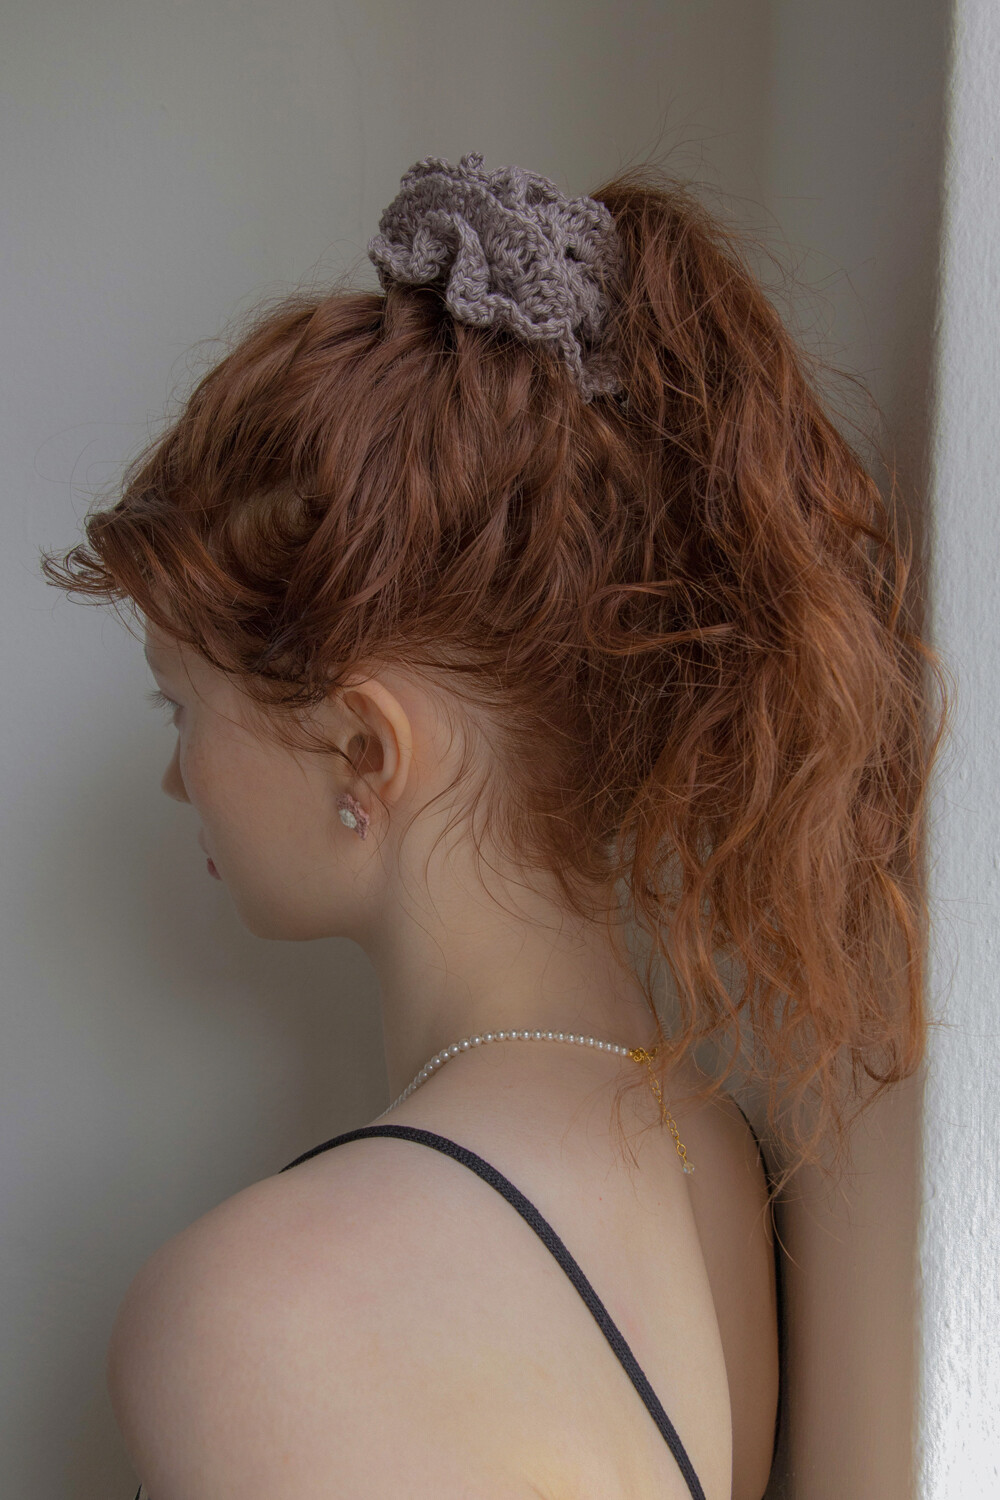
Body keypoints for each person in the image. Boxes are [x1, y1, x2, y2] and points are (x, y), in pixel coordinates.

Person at [41, 151, 944, 1500]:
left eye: (183, 710)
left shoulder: (261, 1313)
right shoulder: (701, 1145)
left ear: (364, 748)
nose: (178, 783)